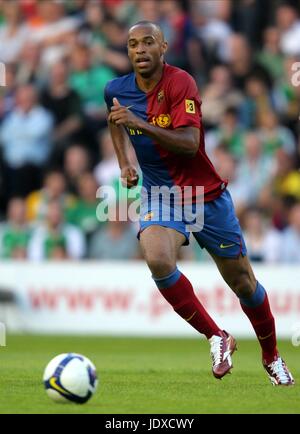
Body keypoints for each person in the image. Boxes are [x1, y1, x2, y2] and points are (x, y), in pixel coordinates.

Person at [104, 21, 294, 386]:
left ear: (163, 47)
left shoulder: (181, 83)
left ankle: (271, 356)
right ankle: (216, 336)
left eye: (148, 42)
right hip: (161, 194)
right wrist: (125, 162)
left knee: (243, 283)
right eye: (132, 44)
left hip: (205, 194)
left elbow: (190, 143)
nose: (140, 50)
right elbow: (116, 119)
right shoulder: (116, 89)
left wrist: (138, 124)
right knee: (158, 258)